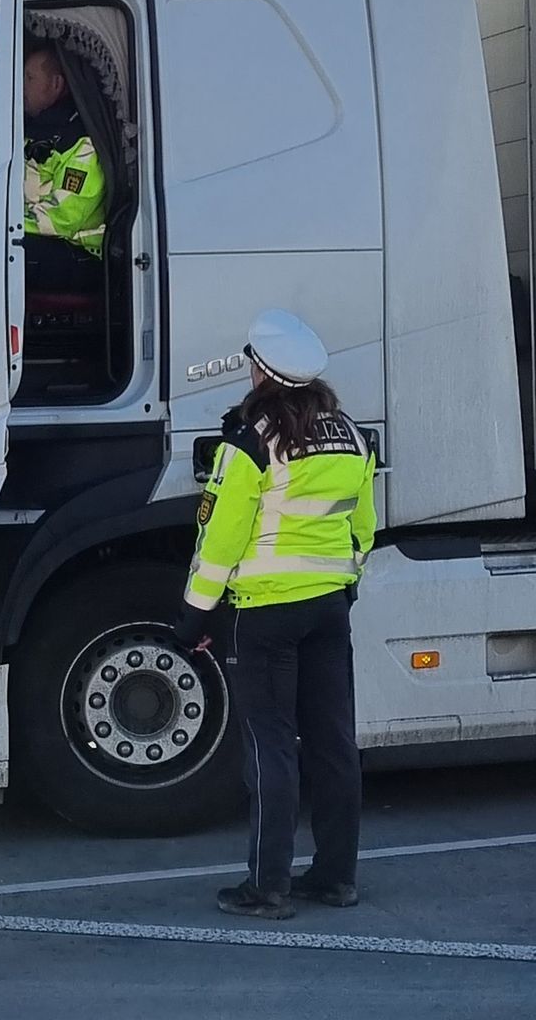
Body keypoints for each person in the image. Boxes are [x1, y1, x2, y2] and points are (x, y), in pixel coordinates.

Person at [174, 309, 377, 920]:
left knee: (270, 747)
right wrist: (343, 584)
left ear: (260, 370)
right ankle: (336, 877)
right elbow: (361, 528)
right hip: (329, 609)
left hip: (265, 613)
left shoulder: (249, 442)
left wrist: (194, 616)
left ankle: (268, 887)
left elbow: (221, 542)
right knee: (333, 743)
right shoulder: (351, 435)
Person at [21, 37, 107, 290]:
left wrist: (0, 223)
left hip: (76, 256)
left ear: (56, 84)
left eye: (29, 78)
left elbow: (62, 218)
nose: (21, 86)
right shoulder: (32, 133)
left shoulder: (84, 142)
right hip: (40, 243)